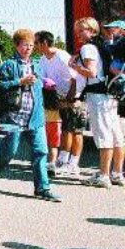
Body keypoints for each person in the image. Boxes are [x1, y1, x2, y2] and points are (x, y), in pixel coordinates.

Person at [0, 29, 61, 202]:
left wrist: (45, 84)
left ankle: (42, 188)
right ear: (17, 45)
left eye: (32, 45)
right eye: (25, 45)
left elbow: (39, 86)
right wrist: (19, 82)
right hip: (14, 118)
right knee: (8, 152)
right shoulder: (9, 65)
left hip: (35, 117)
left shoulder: (36, 65)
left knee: (41, 151)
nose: (28, 48)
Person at [69, 17, 125, 188]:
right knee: (116, 135)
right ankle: (117, 173)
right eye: (77, 30)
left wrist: (74, 66)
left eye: (81, 30)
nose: (78, 34)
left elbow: (91, 72)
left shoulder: (87, 48)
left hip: (97, 96)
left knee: (103, 136)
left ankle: (103, 176)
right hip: (110, 94)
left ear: (91, 30)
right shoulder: (102, 46)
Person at [34, 30, 85, 177]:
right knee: (66, 130)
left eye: (37, 43)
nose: (35, 46)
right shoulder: (43, 59)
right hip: (59, 99)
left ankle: (73, 163)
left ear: (44, 43)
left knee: (76, 131)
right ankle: (63, 161)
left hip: (73, 98)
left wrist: (71, 99)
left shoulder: (62, 56)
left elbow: (75, 78)